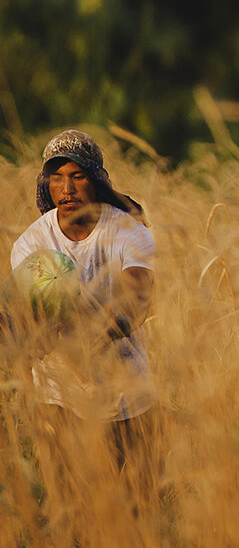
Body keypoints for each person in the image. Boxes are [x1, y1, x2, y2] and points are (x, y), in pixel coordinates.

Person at [8, 129, 157, 467]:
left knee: (136, 511)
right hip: (59, 398)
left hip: (127, 398)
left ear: (97, 182)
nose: (67, 188)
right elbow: (26, 314)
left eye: (78, 176)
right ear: (46, 185)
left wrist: (103, 333)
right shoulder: (32, 244)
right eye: (56, 178)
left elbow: (138, 294)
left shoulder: (128, 231)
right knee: (72, 508)